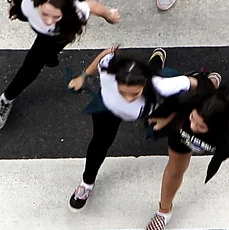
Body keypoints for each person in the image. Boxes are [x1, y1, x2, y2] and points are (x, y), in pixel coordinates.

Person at [65, 47, 203, 209]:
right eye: (122, 92)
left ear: (145, 84)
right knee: (99, 143)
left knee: (161, 76)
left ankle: (163, 64)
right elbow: (108, 53)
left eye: (135, 94)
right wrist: (83, 76)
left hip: (151, 110)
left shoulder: (161, 86)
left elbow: (196, 86)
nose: (128, 99)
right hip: (109, 111)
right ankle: (87, 183)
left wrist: (168, 118)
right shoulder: (107, 71)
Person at [0, 0, 120, 132]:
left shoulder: (75, 11)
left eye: (56, 16)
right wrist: (15, 1)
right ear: (37, 2)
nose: (49, 21)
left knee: (39, 60)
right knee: (32, 66)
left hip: (58, 36)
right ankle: (7, 98)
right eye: (45, 14)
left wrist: (110, 16)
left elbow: (92, 6)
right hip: (46, 32)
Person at [142, 77, 229, 230]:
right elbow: (173, 103)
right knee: (175, 169)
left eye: (201, 126)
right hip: (181, 138)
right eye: (193, 118)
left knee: (205, 87)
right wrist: (167, 117)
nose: (193, 127)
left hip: (208, 140)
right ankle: (164, 211)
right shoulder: (187, 101)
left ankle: (210, 82)